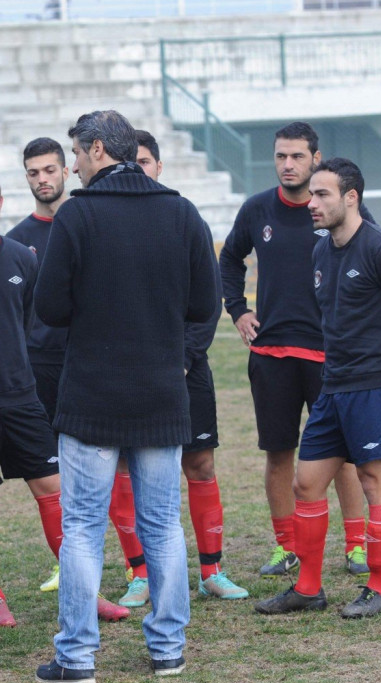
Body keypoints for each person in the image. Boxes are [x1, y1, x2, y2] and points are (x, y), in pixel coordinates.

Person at [34, 110, 217, 683]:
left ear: (96, 150)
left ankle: (77, 658)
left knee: (83, 526)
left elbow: (50, 308)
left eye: (76, 155)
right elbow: (204, 303)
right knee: (162, 524)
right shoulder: (181, 212)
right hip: (162, 394)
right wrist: (178, 354)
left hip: (92, 394)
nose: (72, 167)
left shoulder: (78, 216)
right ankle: (168, 649)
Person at [254, 158, 381, 620]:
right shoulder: (321, 252)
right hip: (333, 387)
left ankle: (377, 588)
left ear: (351, 197)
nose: (311, 203)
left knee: (375, 482)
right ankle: (308, 588)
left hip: (375, 386)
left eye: (322, 195)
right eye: (312, 194)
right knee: (306, 483)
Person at [0, 152, 104, 627]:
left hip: (23, 397)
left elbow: (31, 321)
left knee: (54, 493)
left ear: (2, 201)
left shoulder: (21, 257)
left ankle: (84, 593)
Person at [219, 121, 370, 582]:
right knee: (279, 453)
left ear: (316, 159)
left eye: (297, 156)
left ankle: (358, 545)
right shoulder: (257, 208)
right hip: (273, 355)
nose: (288, 165)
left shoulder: (336, 208)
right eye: (281, 156)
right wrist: (239, 309)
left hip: (330, 356)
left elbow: (372, 255)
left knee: (342, 456)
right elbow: (229, 259)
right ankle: (287, 546)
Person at [4, 138, 133, 620]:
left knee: (110, 467)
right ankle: (72, 564)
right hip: (42, 367)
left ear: (67, 169)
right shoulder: (17, 241)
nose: (43, 178)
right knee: (58, 473)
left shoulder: (90, 222)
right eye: (33, 171)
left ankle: (127, 566)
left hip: (93, 364)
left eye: (51, 168)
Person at [134, 130, 248, 602]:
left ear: (160, 166)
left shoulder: (186, 219)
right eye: (132, 161)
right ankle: (140, 576)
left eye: (146, 161)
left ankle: (212, 571)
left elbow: (208, 301)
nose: (139, 168)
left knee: (199, 463)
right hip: (133, 370)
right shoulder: (110, 221)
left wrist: (181, 359)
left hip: (185, 367)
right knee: (131, 471)